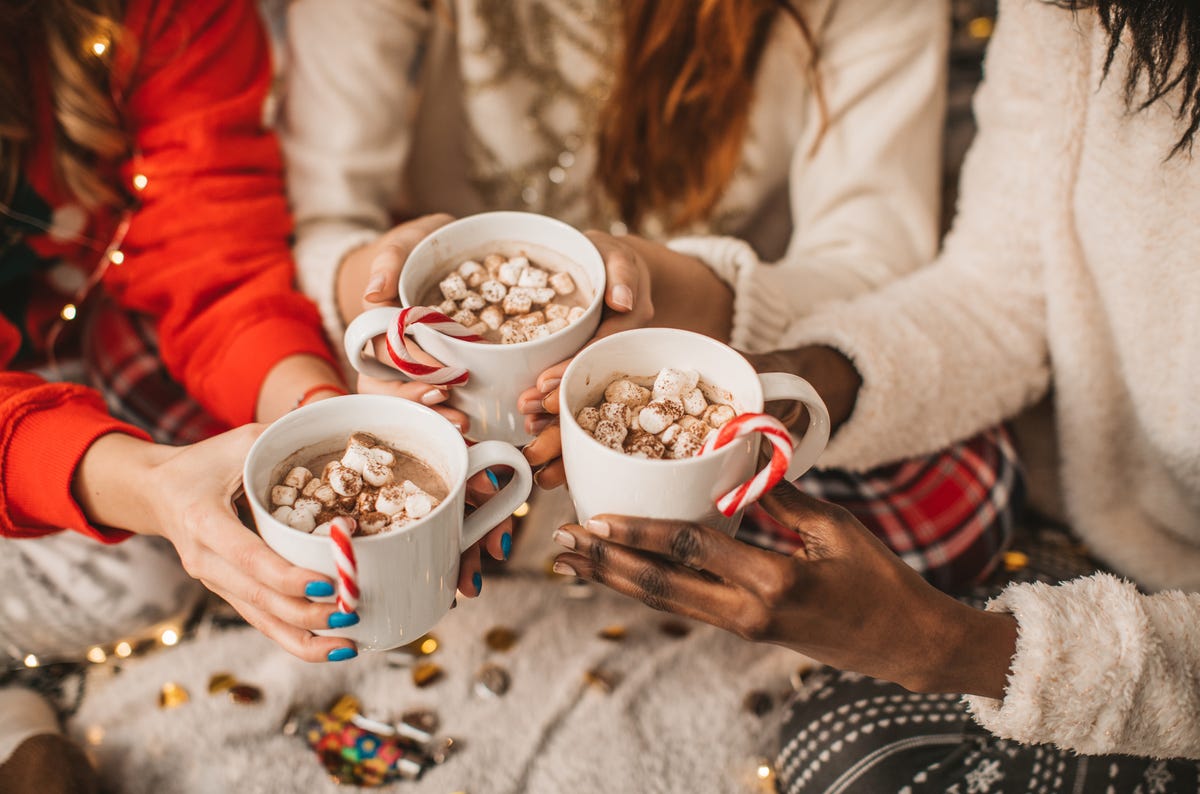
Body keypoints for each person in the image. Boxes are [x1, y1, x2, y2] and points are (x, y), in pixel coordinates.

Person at [544, 0, 1200, 788]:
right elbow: (995, 297)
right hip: (1104, 526)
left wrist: (954, 650)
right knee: (839, 734)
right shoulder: (1080, 14)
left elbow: (870, 248)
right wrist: (800, 379)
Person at [284, 0, 1019, 590]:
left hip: (717, 354)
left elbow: (871, 268)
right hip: (449, 384)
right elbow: (320, 219)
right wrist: (377, 291)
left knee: (947, 487)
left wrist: (664, 284)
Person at [0, 1, 507, 789]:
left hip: (87, 304)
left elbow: (214, 255)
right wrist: (147, 488)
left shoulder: (153, 16)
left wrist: (318, 414)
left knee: (224, 510)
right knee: (136, 579)